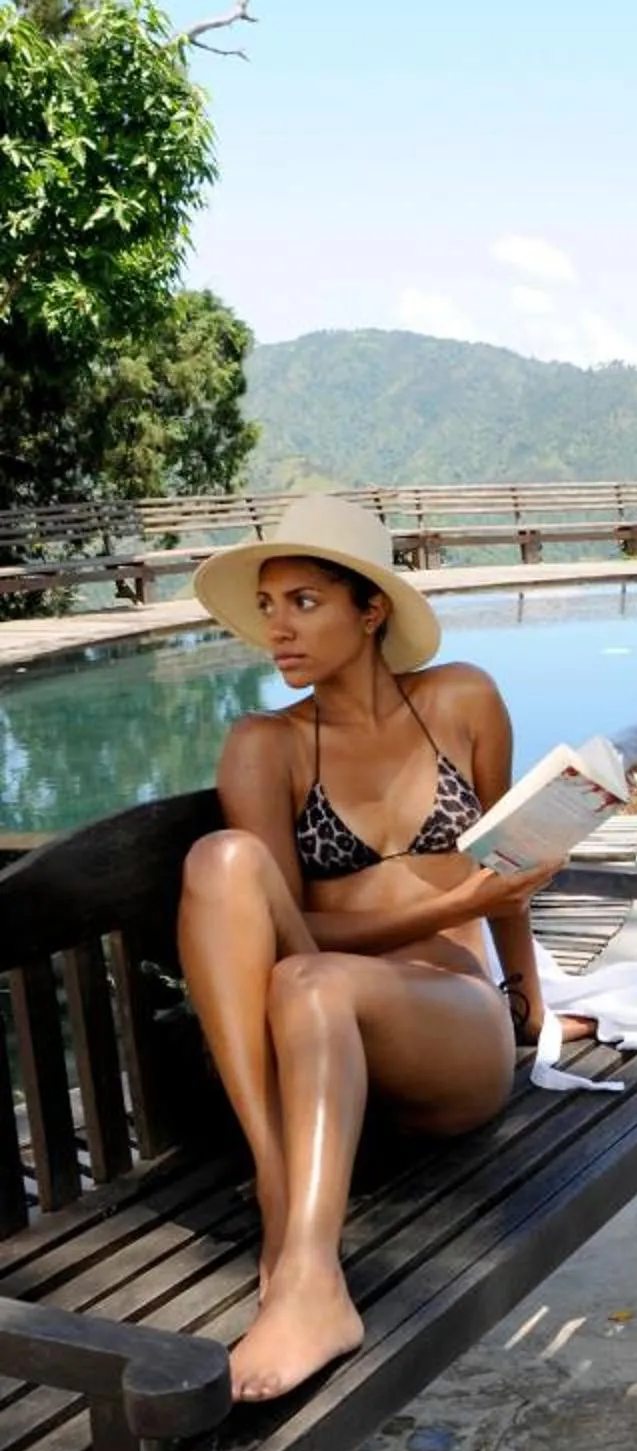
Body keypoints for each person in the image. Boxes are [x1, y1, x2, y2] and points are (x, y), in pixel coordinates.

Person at [180, 498, 561, 1402]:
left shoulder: (461, 700)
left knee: (315, 988)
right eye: (269, 606)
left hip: (449, 1022)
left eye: (305, 602)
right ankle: (290, 1208)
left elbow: (506, 856)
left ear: (371, 609)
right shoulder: (265, 747)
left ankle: (302, 1267)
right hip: (314, 1041)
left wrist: (527, 992)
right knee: (222, 862)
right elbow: (288, 937)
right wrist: (468, 893)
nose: (278, 628)